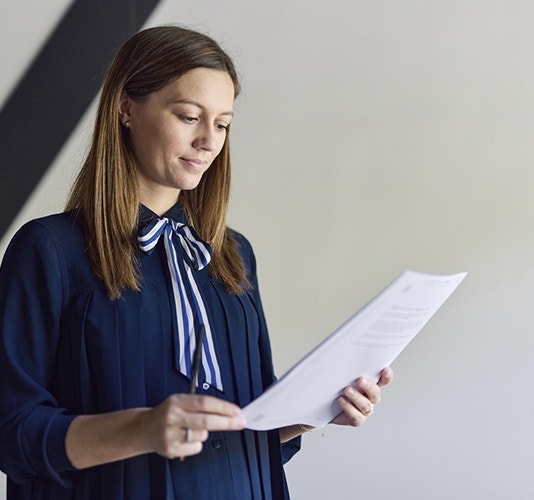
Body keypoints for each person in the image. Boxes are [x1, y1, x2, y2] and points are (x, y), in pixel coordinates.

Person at [0, 25, 393, 500]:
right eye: (189, 116)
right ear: (126, 108)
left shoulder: (233, 255)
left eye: (223, 123)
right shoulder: (48, 250)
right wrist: (141, 430)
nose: (209, 140)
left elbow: (247, 426)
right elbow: (11, 431)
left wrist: (313, 411)